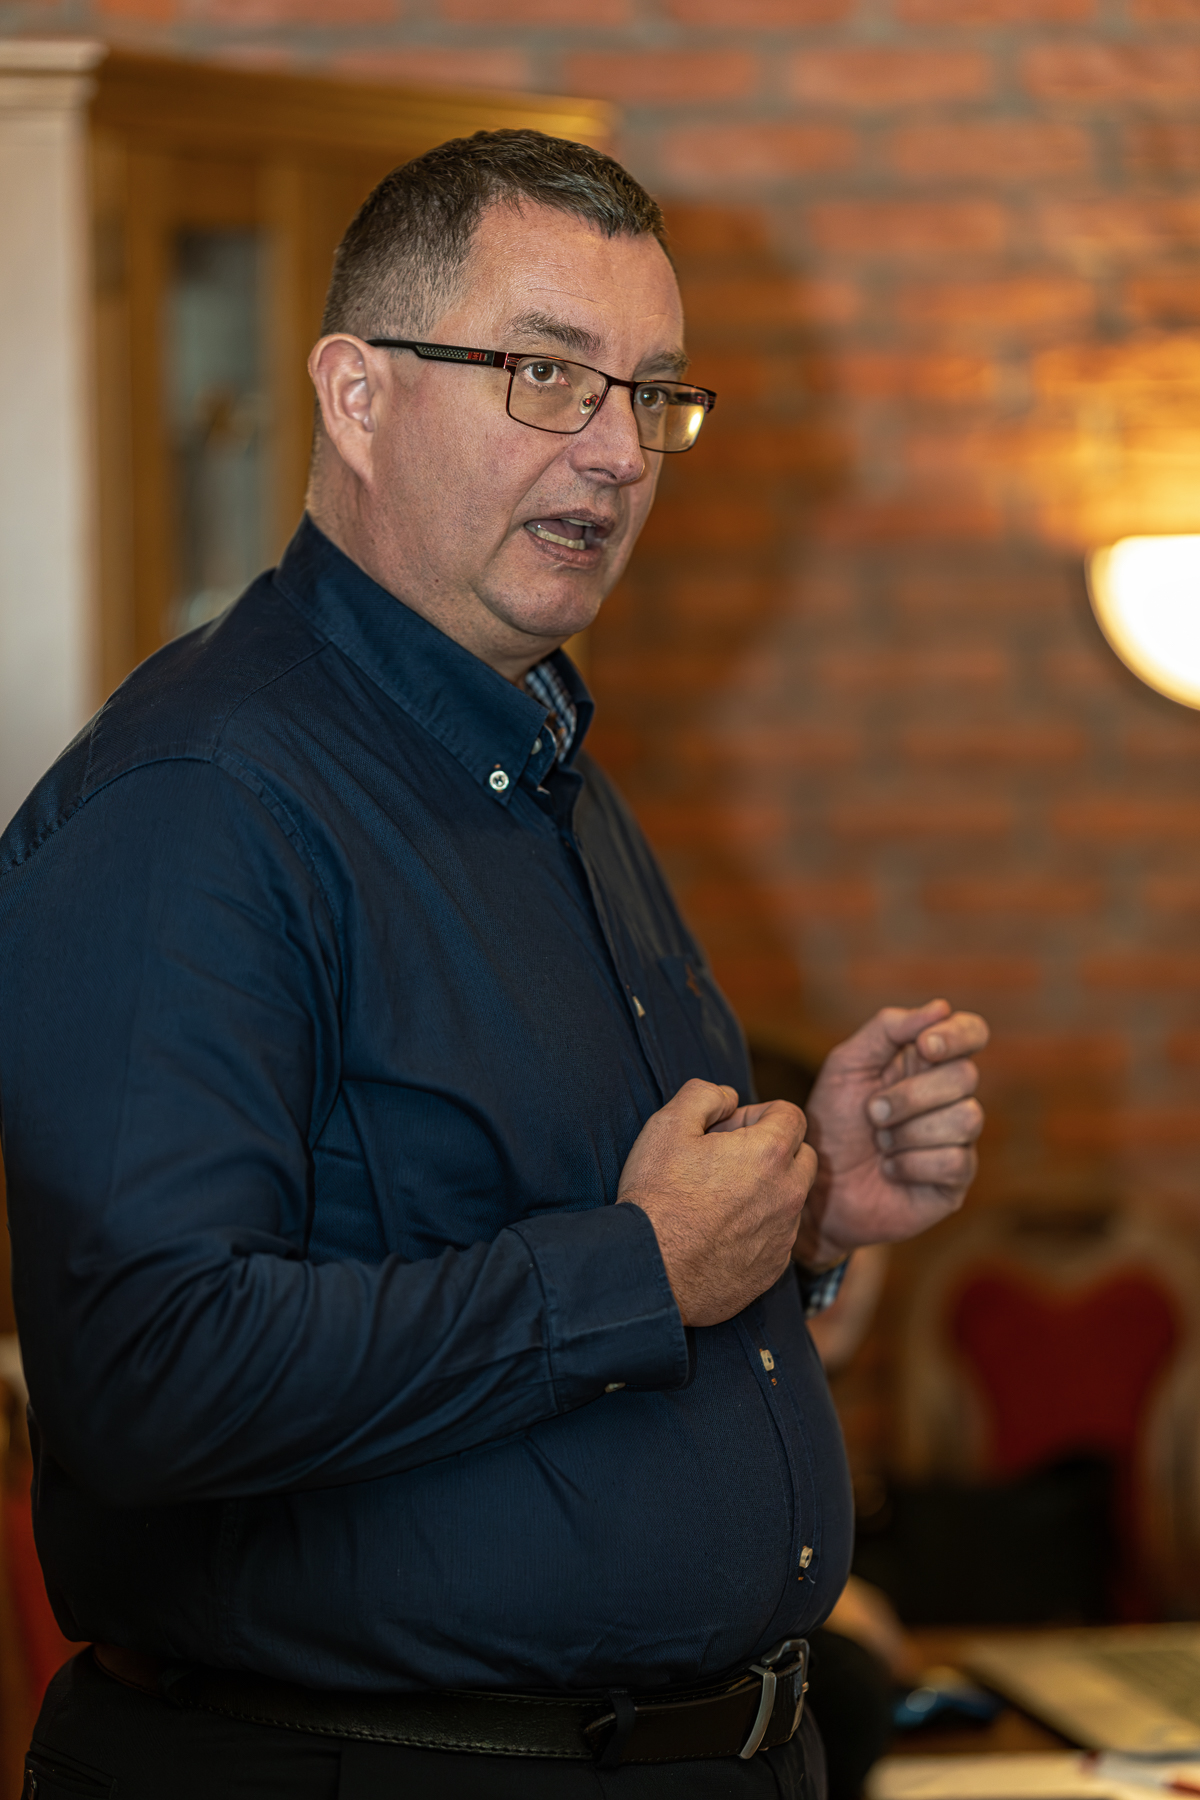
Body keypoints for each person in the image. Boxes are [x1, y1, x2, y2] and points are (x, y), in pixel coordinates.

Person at [0, 130, 987, 1799]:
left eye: (652, 393)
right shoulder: (198, 798)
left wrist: (803, 1210)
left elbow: (558, 1237)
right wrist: (643, 1266)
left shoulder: (538, 764)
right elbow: (148, 1380)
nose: (615, 452)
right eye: (546, 375)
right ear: (356, 395)